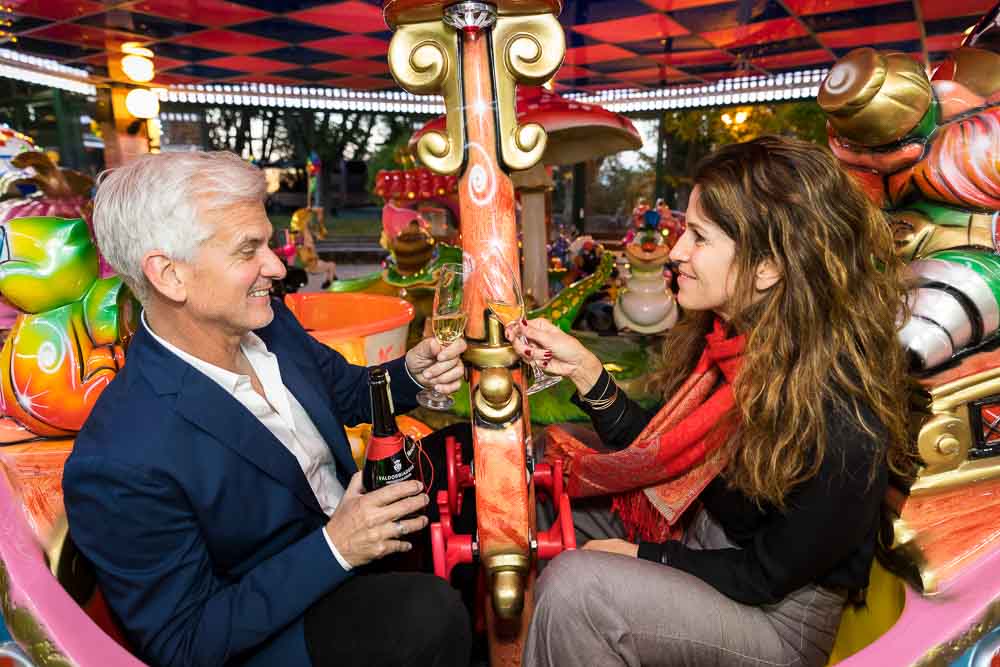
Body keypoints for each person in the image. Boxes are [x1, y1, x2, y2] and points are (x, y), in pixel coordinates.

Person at [510, 136, 912, 667]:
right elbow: (667, 455)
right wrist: (586, 371)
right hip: (708, 544)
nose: (676, 251)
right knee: (540, 485)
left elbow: (766, 574)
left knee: (578, 593)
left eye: (699, 236)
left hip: (776, 617)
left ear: (768, 267)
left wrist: (644, 556)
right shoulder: (735, 345)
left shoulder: (842, 410)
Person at [62, 151, 472, 667]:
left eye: (269, 242)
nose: (278, 267)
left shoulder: (270, 324)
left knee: (470, 448)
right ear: (169, 275)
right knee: (425, 618)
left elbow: (347, 392)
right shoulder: (120, 456)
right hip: (283, 619)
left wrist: (412, 373)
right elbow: (184, 643)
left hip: (350, 531)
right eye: (248, 250)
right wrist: (337, 547)